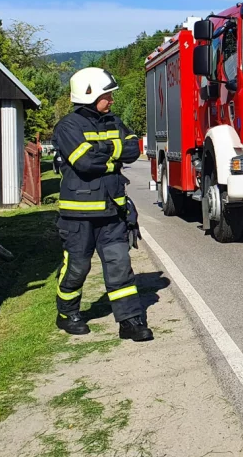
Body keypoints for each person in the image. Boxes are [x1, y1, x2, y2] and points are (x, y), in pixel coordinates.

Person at [51, 67, 153, 342]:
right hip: (78, 216)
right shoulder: (68, 126)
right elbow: (84, 163)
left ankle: (130, 321)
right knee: (77, 267)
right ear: (90, 94)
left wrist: (106, 153)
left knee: (120, 265)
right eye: (107, 95)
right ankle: (67, 313)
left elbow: (134, 148)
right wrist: (114, 156)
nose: (111, 100)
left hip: (112, 211)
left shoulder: (114, 121)